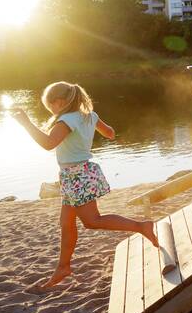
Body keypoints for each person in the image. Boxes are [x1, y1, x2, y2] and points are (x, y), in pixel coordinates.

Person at [12, 81, 158, 290]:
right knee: (66, 223)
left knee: (92, 221)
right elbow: (110, 133)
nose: (51, 109)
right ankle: (63, 267)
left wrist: (26, 123)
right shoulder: (89, 115)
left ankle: (141, 226)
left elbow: (47, 144)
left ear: (59, 102)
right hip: (79, 174)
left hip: (77, 176)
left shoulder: (65, 120)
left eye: (50, 105)